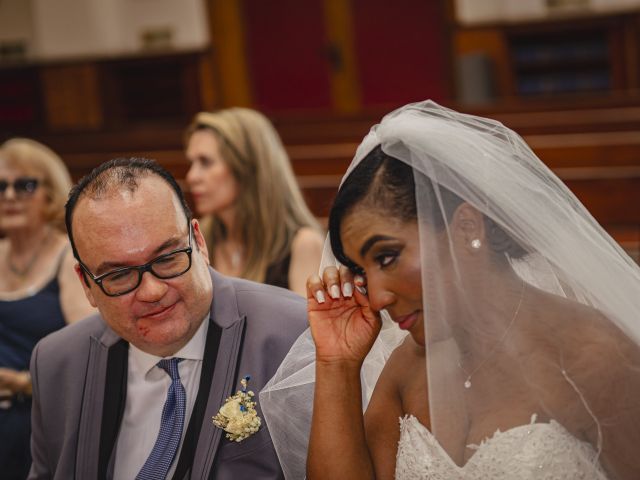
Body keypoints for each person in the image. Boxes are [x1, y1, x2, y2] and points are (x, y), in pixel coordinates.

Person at [260, 101, 640, 479]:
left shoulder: (594, 355)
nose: (377, 298)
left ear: (467, 229)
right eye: (361, 271)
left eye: (387, 257)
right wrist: (337, 365)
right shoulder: (405, 370)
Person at [28, 158, 307, 479]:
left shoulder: (291, 334)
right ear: (86, 284)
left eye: (167, 258)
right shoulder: (56, 363)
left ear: (198, 242)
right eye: (119, 275)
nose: (151, 291)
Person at [0, 138, 95, 480]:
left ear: (51, 193)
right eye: (1, 186)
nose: (9, 196)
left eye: (24, 185)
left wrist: (25, 383)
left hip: (46, 415)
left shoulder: (68, 257)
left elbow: (91, 350)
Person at [185, 107, 324, 296]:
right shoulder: (197, 239)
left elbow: (310, 324)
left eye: (206, 162)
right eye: (191, 163)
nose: (192, 177)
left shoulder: (303, 245)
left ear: (246, 167)